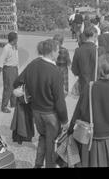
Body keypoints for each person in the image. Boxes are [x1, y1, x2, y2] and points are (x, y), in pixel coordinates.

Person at [68, 54, 109, 167]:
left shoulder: (89, 87)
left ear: (99, 70)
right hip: (107, 138)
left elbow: (77, 113)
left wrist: (70, 131)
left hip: (88, 137)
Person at [16, 39, 68, 168]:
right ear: (52, 52)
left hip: (36, 111)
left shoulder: (33, 64)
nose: (59, 54)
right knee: (52, 144)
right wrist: (65, 120)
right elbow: (59, 101)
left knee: (43, 137)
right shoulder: (55, 72)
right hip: (50, 113)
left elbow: (17, 82)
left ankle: (38, 164)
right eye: (58, 51)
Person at [71, 26, 99, 97]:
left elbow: (74, 69)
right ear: (94, 36)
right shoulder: (99, 50)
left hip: (83, 83)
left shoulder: (78, 50)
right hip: (97, 83)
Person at [0, 32, 19, 113]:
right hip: (8, 69)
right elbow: (1, 60)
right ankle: (4, 106)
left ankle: (13, 103)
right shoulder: (6, 48)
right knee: (8, 88)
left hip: (14, 68)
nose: (17, 40)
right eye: (17, 38)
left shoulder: (14, 47)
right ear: (14, 39)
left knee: (15, 86)